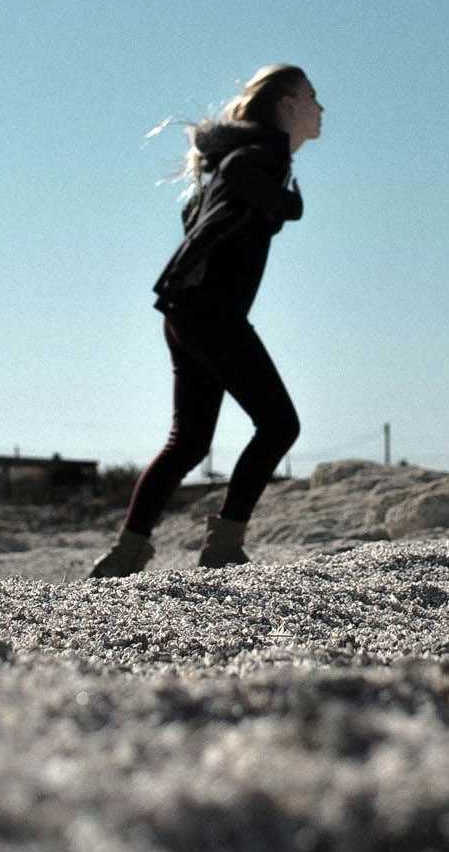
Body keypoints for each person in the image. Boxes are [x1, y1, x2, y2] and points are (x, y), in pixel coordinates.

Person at [90, 64, 324, 576]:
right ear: (287, 103)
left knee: (190, 442)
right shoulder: (259, 154)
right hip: (209, 311)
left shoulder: (252, 158)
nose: (321, 108)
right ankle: (222, 548)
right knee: (279, 424)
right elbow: (242, 182)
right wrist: (287, 204)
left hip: (185, 309)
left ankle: (125, 556)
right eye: (311, 97)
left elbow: (198, 213)